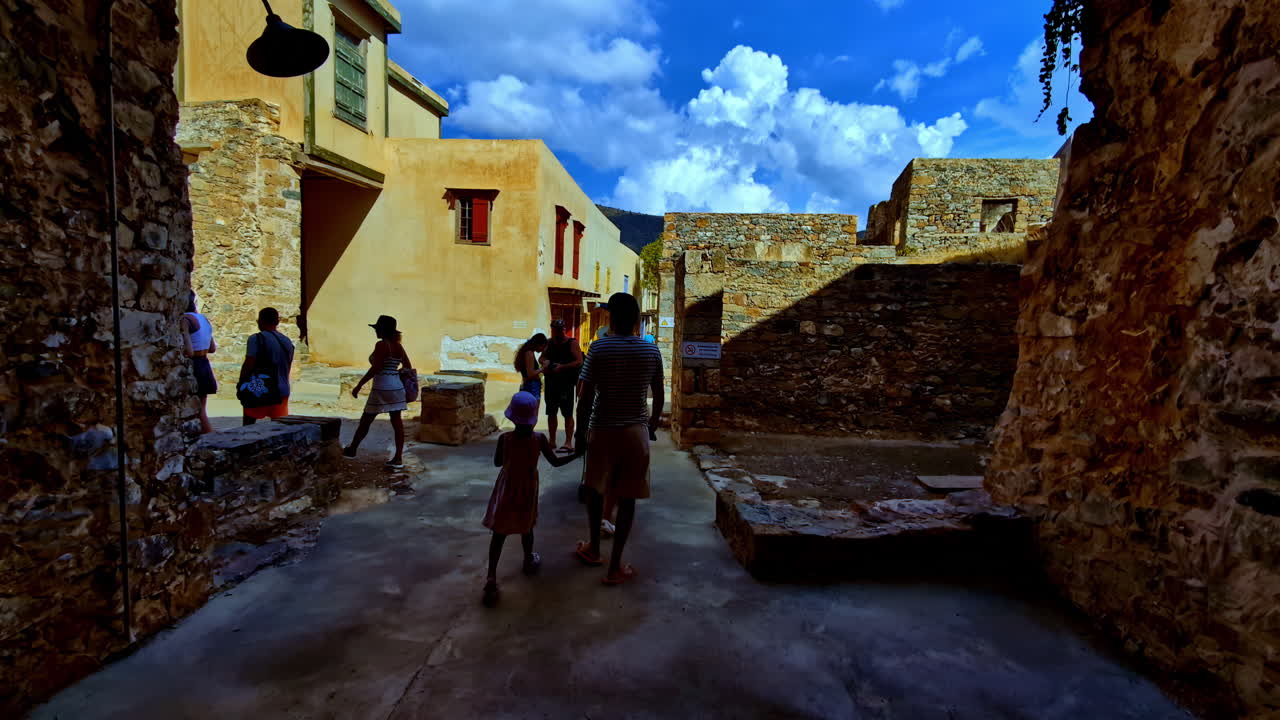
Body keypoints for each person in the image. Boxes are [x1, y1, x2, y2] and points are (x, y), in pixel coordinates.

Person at [573, 292, 664, 585]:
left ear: (611, 317)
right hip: (635, 431)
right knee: (628, 498)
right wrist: (650, 425)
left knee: (595, 490)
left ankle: (594, 550)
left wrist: (579, 431)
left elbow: (585, 397)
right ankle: (615, 567)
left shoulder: (599, 348)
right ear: (637, 319)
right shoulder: (651, 351)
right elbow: (659, 396)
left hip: (603, 428)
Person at [482, 391, 578, 607]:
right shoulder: (539, 439)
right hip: (527, 489)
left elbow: (498, 463)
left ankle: (491, 576)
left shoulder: (504, 439)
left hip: (506, 488)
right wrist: (576, 455)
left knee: (499, 532)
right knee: (527, 526)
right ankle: (527, 560)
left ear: (513, 417)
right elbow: (555, 463)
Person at [344, 315, 414, 469]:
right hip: (396, 387)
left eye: (377, 329)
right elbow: (408, 366)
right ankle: (398, 458)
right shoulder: (398, 347)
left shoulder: (382, 345)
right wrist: (394, 373)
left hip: (381, 387)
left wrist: (359, 385)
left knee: (366, 419)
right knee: (397, 422)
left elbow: (375, 368)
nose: (375, 332)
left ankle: (352, 449)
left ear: (382, 330)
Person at [238, 307, 294, 426]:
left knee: (248, 426)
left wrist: (241, 382)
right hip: (282, 389)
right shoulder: (287, 341)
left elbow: (249, 363)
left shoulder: (256, 339)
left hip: (260, 388)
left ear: (260, 321)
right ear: (277, 322)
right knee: (279, 428)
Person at [542, 319, 583, 453]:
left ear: (564, 329)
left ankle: (568, 442)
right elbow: (541, 358)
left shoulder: (572, 343)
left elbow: (579, 361)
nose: (558, 332)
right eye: (556, 329)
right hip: (551, 382)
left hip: (566, 383)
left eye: (560, 329)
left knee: (567, 413)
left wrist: (562, 367)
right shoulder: (549, 343)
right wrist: (546, 362)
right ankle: (552, 441)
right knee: (551, 413)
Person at [181, 292, 217, 434]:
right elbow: (212, 348)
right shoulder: (204, 319)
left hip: (194, 364)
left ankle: (211, 437)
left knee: (198, 410)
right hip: (204, 363)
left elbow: (189, 351)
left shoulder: (185, 319)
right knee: (202, 407)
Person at [514, 332, 548, 401]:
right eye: (542, 346)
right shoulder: (529, 353)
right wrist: (543, 367)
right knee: (532, 409)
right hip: (532, 386)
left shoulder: (526, 351)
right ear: (538, 344)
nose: (542, 350)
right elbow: (530, 374)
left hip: (528, 384)